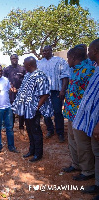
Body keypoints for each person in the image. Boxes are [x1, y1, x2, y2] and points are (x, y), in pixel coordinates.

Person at [62, 46, 95, 181]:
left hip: (81, 115)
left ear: (74, 58)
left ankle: (88, 171)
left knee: (83, 144)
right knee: (72, 140)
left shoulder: (88, 71)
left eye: (68, 58)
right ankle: (76, 164)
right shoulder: (73, 69)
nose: (67, 60)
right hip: (71, 112)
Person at [12, 57, 53, 162]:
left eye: (24, 64)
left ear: (29, 65)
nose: (23, 65)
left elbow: (45, 94)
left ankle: (38, 154)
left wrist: (36, 107)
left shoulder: (40, 76)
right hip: (26, 109)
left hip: (34, 109)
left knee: (36, 130)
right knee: (29, 129)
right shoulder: (27, 75)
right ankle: (32, 150)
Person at [73, 39, 99, 198]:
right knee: (96, 152)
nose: (87, 53)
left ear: (95, 51)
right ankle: (96, 184)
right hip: (89, 119)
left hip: (97, 122)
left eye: (90, 50)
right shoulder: (96, 69)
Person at [37, 45, 70, 142]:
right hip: (44, 92)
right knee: (46, 112)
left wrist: (63, 90)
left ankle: (60, 133)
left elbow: (65, 76)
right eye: (43, 51)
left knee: (58, 112)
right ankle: (50, 130)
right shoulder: (39, 63)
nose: (45, 52)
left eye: (47, 51)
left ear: (51, 51)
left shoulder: (60, 61)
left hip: (56, 91)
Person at [3, 54, 26, 134]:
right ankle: (11, 127)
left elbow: (25, 80)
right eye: (12, 58)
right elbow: (4, 81)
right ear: (10, 59)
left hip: (20, 93)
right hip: (10, 94)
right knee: (11, 111)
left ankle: (21, 127)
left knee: (21, 111)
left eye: (16, 58)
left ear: (18, 59)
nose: (14, 60)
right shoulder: (6, 69)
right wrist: (9, 87)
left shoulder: (22, 69)